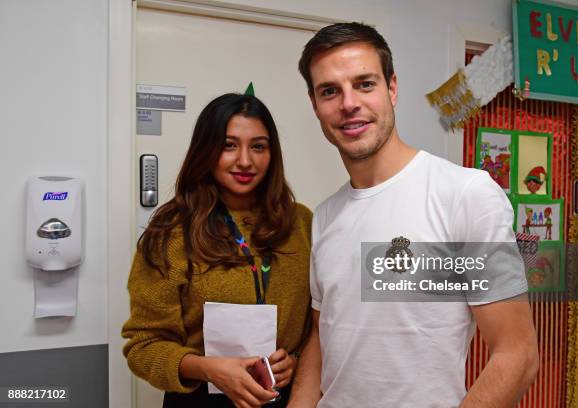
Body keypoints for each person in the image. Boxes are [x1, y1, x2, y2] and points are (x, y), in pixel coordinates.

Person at [288, 23, 539, 407]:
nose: (349, 103)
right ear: (315, 105)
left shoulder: (465, 194)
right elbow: (322, 337)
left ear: (392, 88)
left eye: (365, 84)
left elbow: (517, 356)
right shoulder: (325, 216)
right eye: (330, 91)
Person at [122, 93, 312, 408]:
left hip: (287, 398)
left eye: (258, 146)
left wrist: (294, 359)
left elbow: (318, 328)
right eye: (229, 145)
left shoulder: (301, 223)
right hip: (200, 399)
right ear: (206, 150)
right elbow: (143, 347)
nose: (245, 161)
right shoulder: (172, 232)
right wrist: (209, 368)